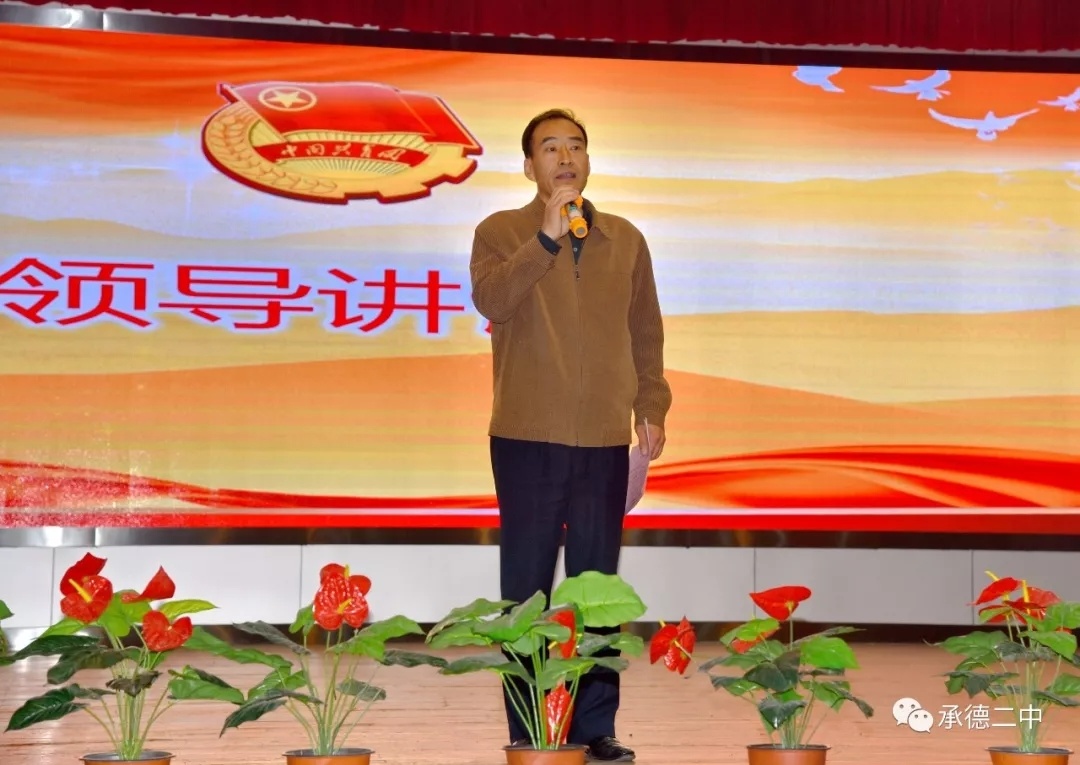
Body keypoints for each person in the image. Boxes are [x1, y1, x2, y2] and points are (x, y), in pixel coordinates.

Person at [469, 108, 672, 763]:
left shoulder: (626, 239)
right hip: (526, 435)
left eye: (575, 146)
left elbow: (646, 331)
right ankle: (531, 724)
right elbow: (494, 300)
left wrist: (651, 404)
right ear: (529, 165)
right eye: (550, 147)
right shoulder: (500, 231)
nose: (565, 158)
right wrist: (546, 239)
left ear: (588, 160)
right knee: (527, 587)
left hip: (603, 439)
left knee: (596, 587)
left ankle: (594, 726)